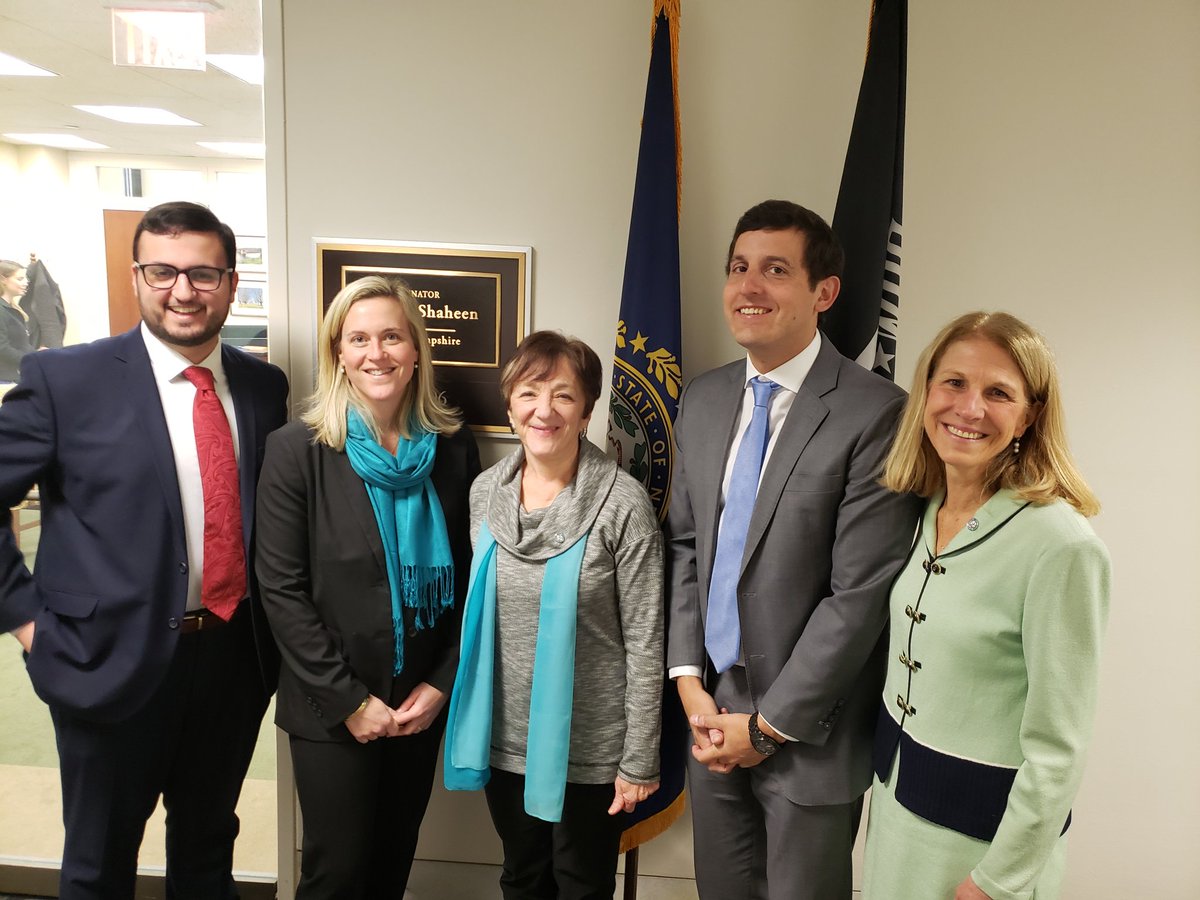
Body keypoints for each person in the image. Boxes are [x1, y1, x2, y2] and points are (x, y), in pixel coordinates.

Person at [0, 201, 289, 899]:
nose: (182, 291)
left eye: (202, 274)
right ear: (137, 277)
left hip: (230, 660)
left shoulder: (263, 387)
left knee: (207, 855)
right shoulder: (65, 379)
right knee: (100, 867)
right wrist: (29, 622)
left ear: (230, 281)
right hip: (103, 659)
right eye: (162, 272)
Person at [666, 199, 922, 899]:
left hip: (811, 730)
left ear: (824, 292)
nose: (749, 287)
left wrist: (769, 728)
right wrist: (689, 684)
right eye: (739, 268)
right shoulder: (704, 400)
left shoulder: (877, 413)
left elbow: (858, 596)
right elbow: (685, 547)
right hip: (710, 711)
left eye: (775, 270)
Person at [862, 311, 1111, 900]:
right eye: (953, 382)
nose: (969, 408)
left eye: (998, 393)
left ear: (1029, 415)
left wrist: (996, 882)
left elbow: (1059, 749)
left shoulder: (1062, 546)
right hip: (897, 818)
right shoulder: (924, 510)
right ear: (926, 392)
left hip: (980, 851)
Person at [255, 275, 480, 899]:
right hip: (331, 707)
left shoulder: (453, 450)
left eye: (391, 337)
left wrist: (441, 683)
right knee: (337, 873)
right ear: (338, 353)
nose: (376, 353)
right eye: (358, 339)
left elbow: (474, 580)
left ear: (416, 350)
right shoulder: (296, 451)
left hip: (418, 705)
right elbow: (281, 590)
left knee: (391, 863)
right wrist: (351, 701)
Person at [444, 331, 664, 900]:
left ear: (587, 411)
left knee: (581, 886)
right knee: (521, 878)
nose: (544, 410)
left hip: (591, 750)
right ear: (509, 405)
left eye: (563, 395)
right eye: (529, 392)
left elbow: (646, 642)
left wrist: (639, 760)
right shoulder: (485, 493)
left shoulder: (623, 505)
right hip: (504, 737)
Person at [22, 254, 68, 349]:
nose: (24, 282)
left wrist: (54, 348)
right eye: (19, 279)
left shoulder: (41, 287)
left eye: (22, 278)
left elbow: (49, 321)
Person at [0, 259, 34, 382]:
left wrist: (36, 353)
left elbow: (19, 345)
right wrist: (33, 359)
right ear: (3, 279)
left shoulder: (12, 309)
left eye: (26, 278)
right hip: (4, 380)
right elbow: (2, 348)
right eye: (20, 279)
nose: (26, 282)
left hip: (14, 377)